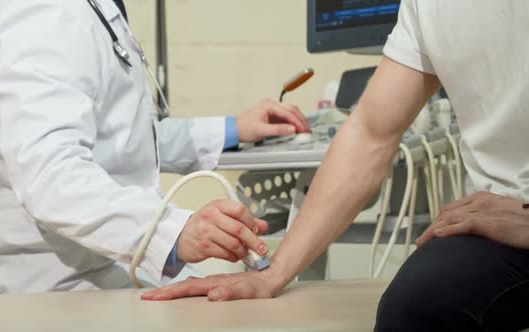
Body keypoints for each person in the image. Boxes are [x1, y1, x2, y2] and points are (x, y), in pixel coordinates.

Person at [142, 1, 529, 331]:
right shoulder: (429, 7)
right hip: (498, 223)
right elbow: (371, 133)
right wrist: (274, 273)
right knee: (419, 303)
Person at [0, 0, 310, 293]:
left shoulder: (92, 11)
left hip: (106, 266)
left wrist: (233, 129)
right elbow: (51, 178)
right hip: (61, 288)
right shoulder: (42, 18)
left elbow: (123, 139)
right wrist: (174, 232)